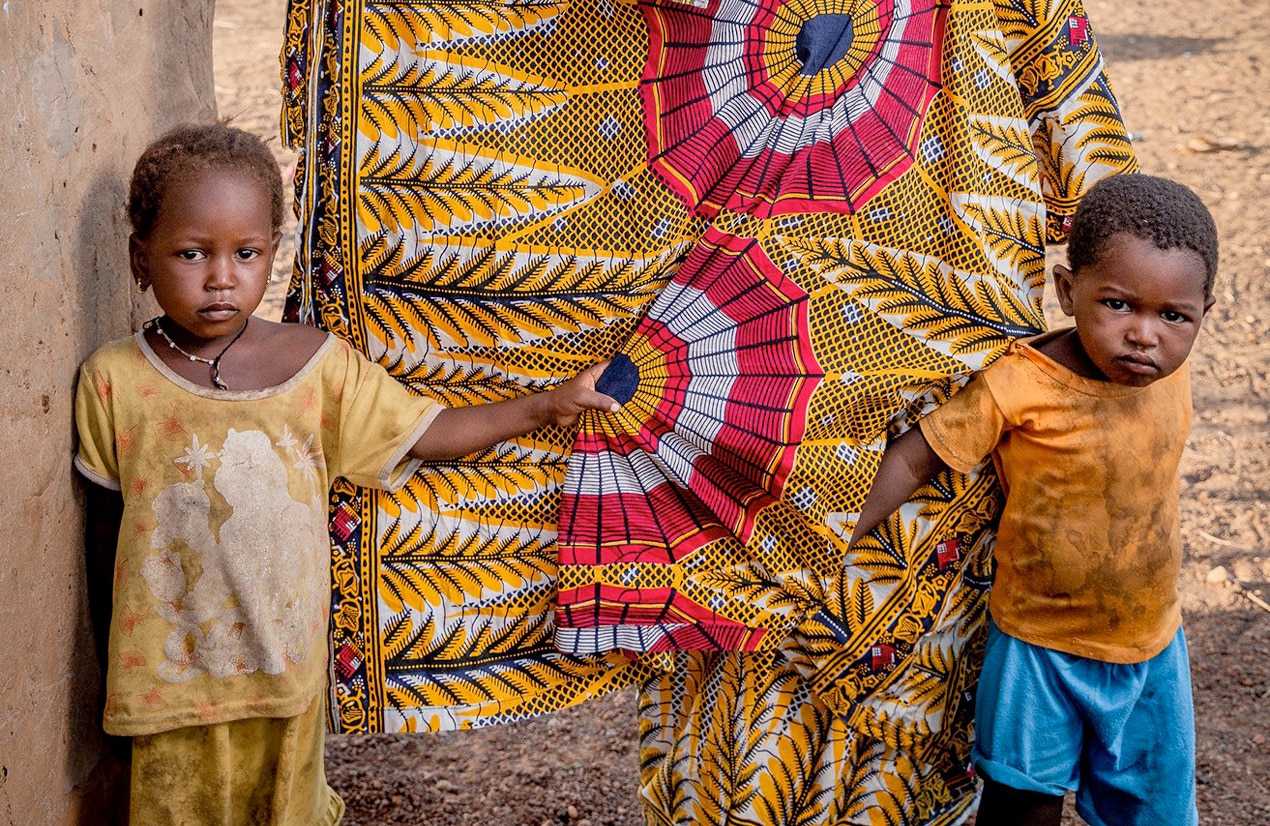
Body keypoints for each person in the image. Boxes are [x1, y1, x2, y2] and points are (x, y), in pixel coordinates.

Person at [73, 121, 622, 825]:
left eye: (246, 253)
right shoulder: (115, 382)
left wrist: (547, 404)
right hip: (166, 686)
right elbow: (105, 537)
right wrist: (109, 679)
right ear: (139, 260)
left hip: (285, 675)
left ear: (274, 253)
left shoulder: (314, 368)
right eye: (190, 253)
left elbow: (431, 430)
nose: (221, 276)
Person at [845, 174, 1217, 826]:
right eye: (1120, 305)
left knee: (1155, 811)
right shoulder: (1020, 383)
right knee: (1021, 806)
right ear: (1068, 292)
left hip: (1151, 645)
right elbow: (917, 453)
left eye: (1174, 316)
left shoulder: (1166, 379)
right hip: (1037, 649)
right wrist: (836, 529)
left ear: (1201, 314)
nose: (1145, 335)